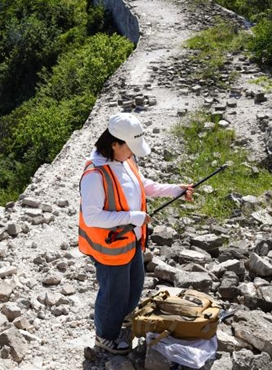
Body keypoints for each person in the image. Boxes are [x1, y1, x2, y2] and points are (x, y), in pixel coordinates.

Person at [79, 112, 194, 355]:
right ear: (114, 144)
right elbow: (92, 217)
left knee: (134, 286)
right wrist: (134, 218)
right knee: (113, 294)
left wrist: (175, 190)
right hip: (109, 247)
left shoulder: (125, 161)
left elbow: (144, 186)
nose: (133, 153)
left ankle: (120, 319)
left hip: (131, 240)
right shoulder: (94, 175)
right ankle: (105, 336)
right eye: (130, 148)